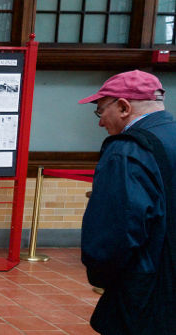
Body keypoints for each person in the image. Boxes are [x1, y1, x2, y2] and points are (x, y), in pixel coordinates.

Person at [78, 70, 176, 334]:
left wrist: (100, 274)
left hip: (146, 290)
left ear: (123, 107)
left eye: (100, 111)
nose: (100, 123)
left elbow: (115, 230)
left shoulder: (127, 151)